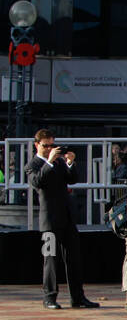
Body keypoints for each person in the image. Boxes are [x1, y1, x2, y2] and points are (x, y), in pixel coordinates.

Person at [26, 130, 98, 309]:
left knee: (74, 258)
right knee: (50, 259)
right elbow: (38, 182)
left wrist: (70, 162)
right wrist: (49, 161)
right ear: (37, 145)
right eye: (45, 145)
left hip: (66, 218)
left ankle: (78, 297)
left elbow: (72, 179)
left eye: (52, 145)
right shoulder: (33, 165)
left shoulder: (58, 163)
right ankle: (49, 297)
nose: (49, 148)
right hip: (49, 221)